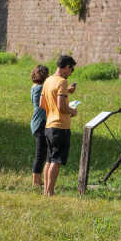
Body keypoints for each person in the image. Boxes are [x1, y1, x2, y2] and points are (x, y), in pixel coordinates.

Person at [39, 55, 77, 196]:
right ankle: (51, 192)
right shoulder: (62, 82)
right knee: (57, 160)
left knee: (49, 159)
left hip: (49, 125)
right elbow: (62, 107)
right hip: (60, 126)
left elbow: (42, 104)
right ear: (66, 67)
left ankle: (45, 191)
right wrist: (72, 111)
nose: (71, 72)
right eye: (71, 69)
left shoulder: (48, 80)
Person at [30, 65, 49, 187]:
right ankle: (36, 181)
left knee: (42, 152)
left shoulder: (35, 86)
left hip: (37, 121)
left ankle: (38, 179)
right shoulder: (41, 88)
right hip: (41, 122)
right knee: (40, 153)